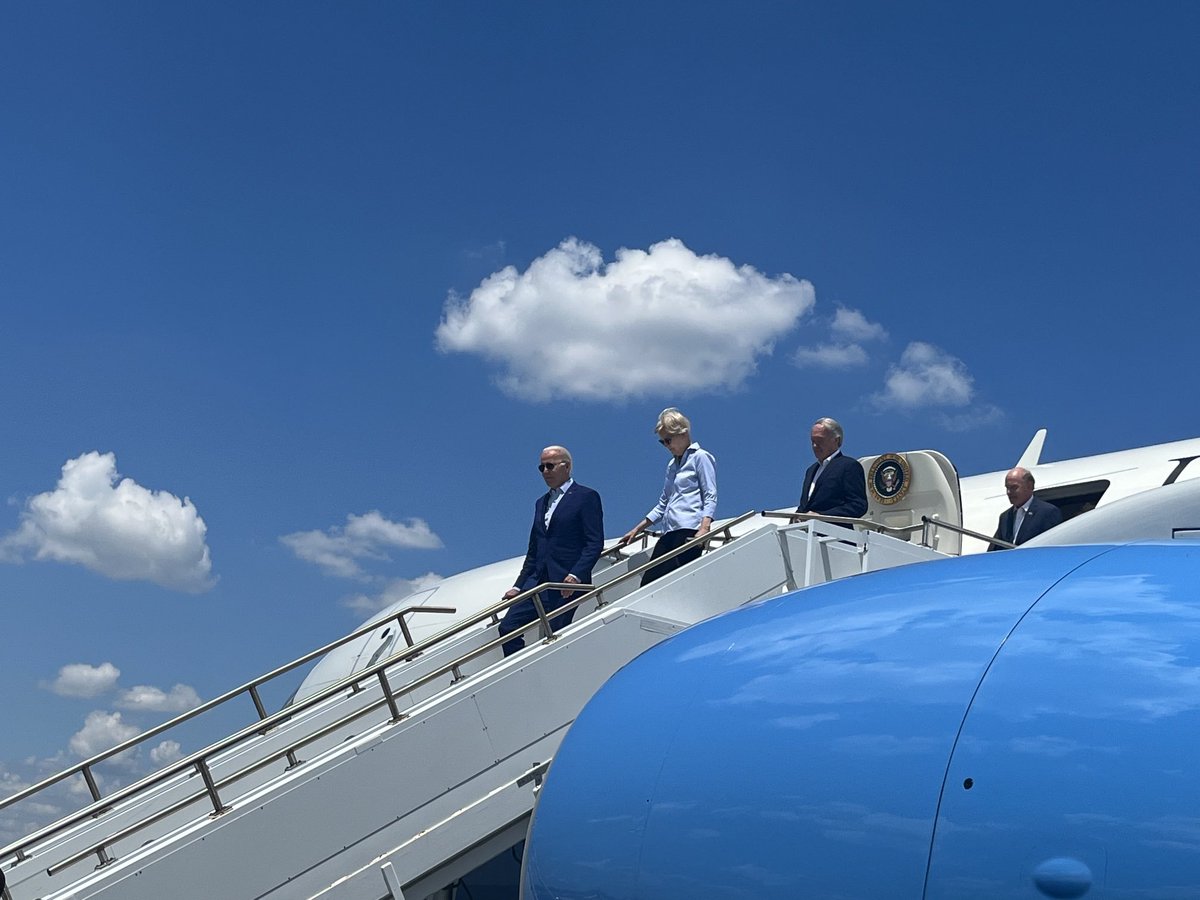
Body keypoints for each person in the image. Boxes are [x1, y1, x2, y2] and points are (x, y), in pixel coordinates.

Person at [498, 445, 604, 655]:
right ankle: (523, 669)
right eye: (542, 467)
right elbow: (535, 549)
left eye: (550, 466)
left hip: (565, 583)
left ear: (566, 467)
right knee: (508, 627)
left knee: (555, 634)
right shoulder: (541, 503)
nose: (545, 471)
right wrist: (518, 586)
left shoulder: (586, 496)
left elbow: (594, 542)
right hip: (537, 582)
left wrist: (575, 575)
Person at [617, 408, 718, 586]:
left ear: (683, 433)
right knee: (648, 583)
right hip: (669, 531)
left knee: (676, 581)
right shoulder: (672, 465)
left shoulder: (700, 457)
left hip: (689, 529)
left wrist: (704, 528)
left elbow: (709, 494)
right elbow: (663, 503)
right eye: (662, 442)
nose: (667, 445)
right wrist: (637, 529)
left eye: (668, 440)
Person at [796, 417, 868, 518]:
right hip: (807, 532)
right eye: (812, 441)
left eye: (820, 440)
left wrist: (821, 516)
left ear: (836, 440)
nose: (815, 445)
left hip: (834, 531)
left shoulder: (848, 466)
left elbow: (858, 505)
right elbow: (804, 506)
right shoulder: (811, 470)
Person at [988, 466, 1063, 550]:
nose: (1009, 492)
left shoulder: (1047, 512)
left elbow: (1054, 546)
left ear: (1029, 486)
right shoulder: (1005, 517)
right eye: (1007, 488)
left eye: (1014, 487)